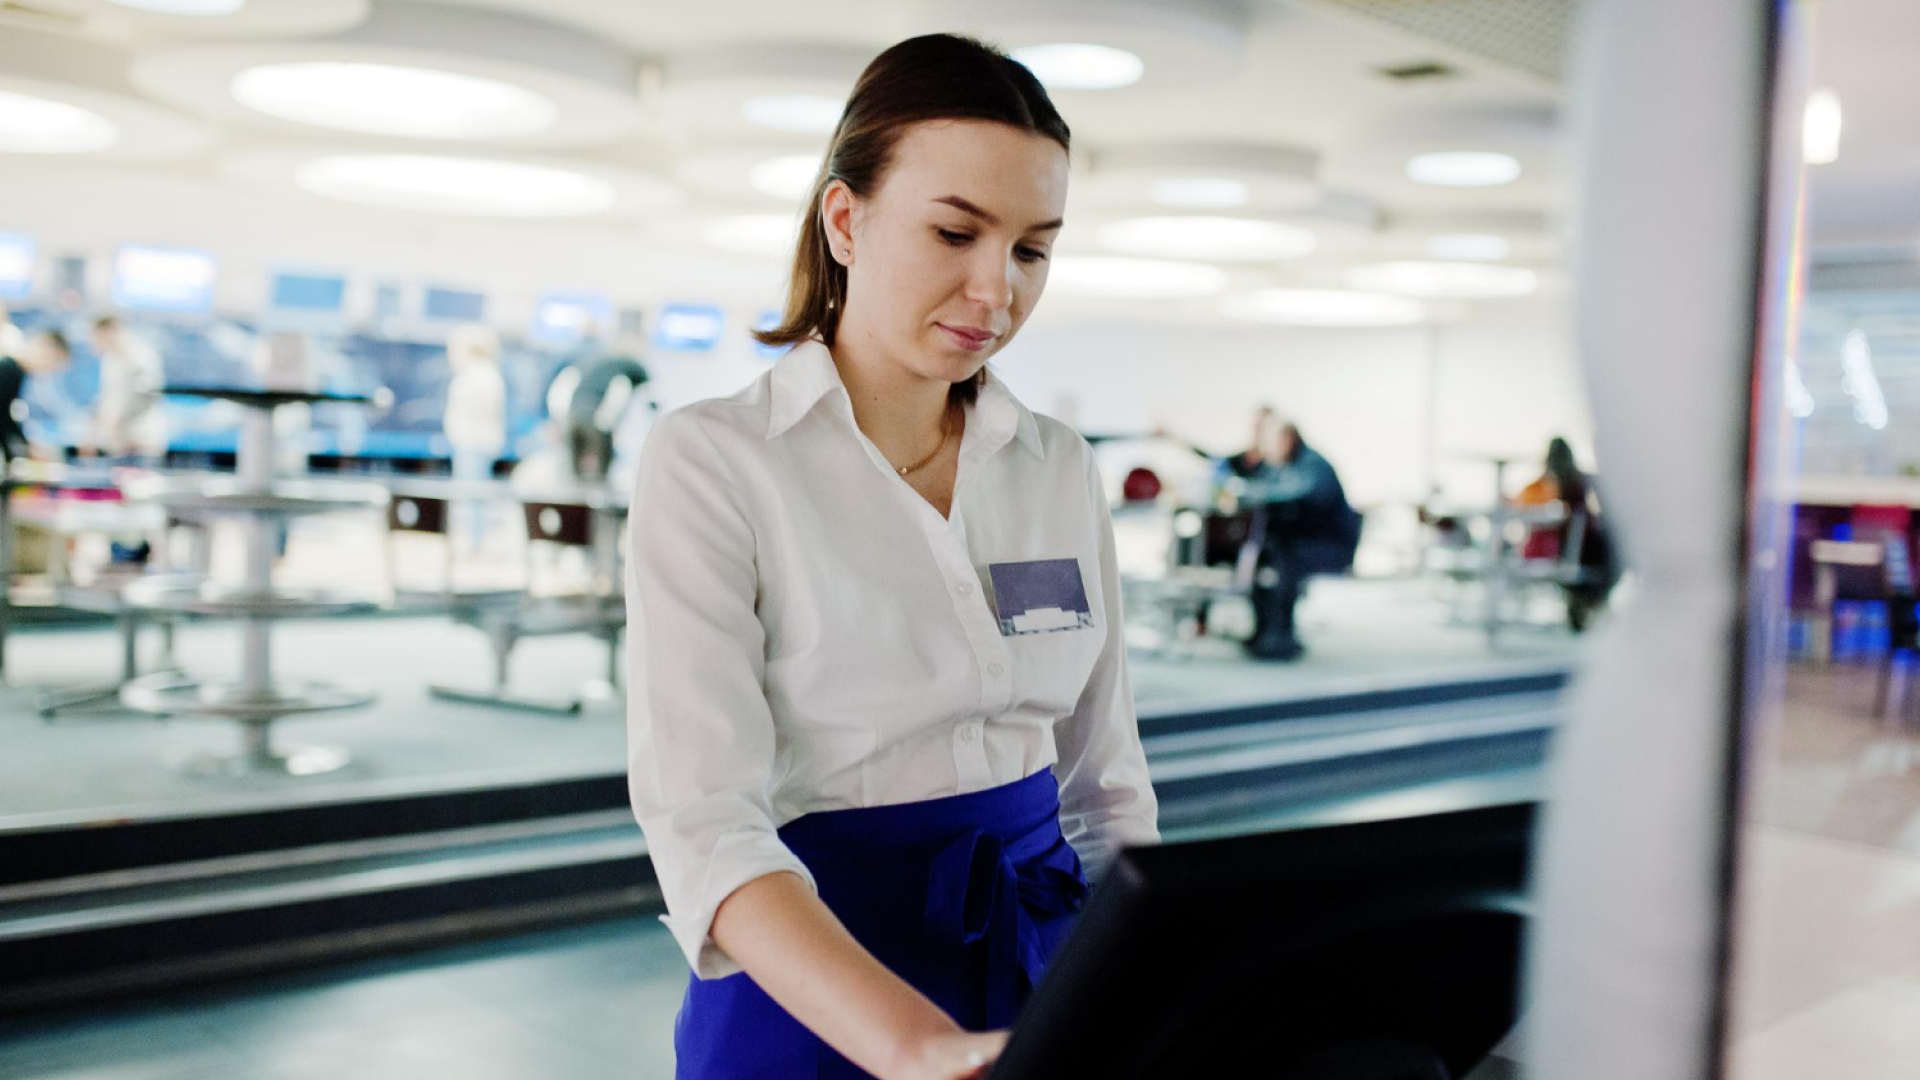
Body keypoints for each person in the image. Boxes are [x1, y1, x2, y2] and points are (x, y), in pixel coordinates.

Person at [625, 34, 1158, 1080]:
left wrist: (1153, 992)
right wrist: (917, 1048)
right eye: (955, 232)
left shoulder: (1057, 468)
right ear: (845, 220)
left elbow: (1105, 788)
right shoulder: (719, 461)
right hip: (814, 976)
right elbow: (705, 822)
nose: (994, 291)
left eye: (1031, 250)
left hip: (1041, 962)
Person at [1240, 421, 1362, 661]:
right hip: (1303, 541)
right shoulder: (1286, 465)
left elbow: (1297, 492)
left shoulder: (1313, 465)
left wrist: (1257, 494)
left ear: (1288, 440)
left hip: (1330, 546)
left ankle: (1282, 637)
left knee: (1286, 560)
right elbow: (1266, 486)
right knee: (1262, 557)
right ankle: (1264, 631)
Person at [1515, 436, 1614, 631]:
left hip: (1559, 549)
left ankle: (1584, 604)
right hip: (1579, 548)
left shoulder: (1543, 485)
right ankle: (1588, 603)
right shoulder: (1579, 482)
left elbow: (1524, 509)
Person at [441, 323, 506, 553]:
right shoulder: (481, 374)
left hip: (475, 443)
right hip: (470, 442)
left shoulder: (480, 375)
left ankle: (476, 543)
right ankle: (473, 540)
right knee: (470, 495)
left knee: (473, 496)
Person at [86, 316, 166, 463]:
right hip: (118, 444)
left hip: (141, 442)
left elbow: (145, 398)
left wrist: (116, 422)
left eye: (98, 338)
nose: (96, 343)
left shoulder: (142, 357)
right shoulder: (110, 360)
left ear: (111, 331)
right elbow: (107, 398)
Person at [1, 330, 72, 463]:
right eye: (52, 366)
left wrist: (27, 445)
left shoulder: (17, 374)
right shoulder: (7, 370)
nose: (47, 372)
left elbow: (6, 417)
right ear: (47, 351)